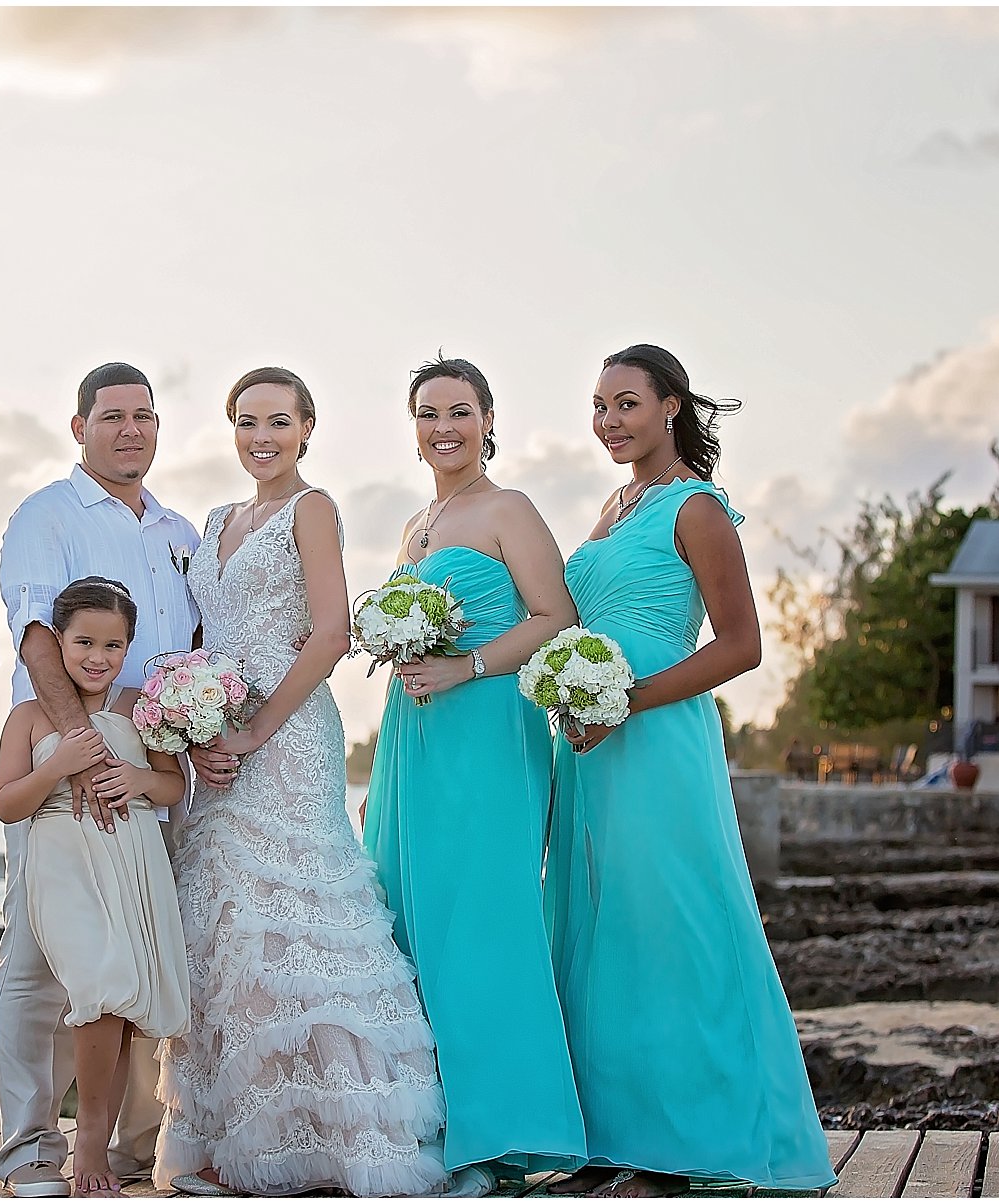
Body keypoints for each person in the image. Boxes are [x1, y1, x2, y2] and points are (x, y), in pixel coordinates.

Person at [541, 345, 834, 1197]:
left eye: (626, 404)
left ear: (671, 407)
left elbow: (742, 646)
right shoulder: (613, 505)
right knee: (599, 925)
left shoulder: (697, 509)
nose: (609, 421)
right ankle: (617, 1137)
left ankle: (705, 1136)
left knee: (675, 919)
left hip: (656, 738)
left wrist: (628, 701)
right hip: (587, 739)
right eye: (598, 406)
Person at [157, 367, 448, 1198]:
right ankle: (243, 1140)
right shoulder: (215, 520)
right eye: (247, 422)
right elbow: (208, 639)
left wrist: (254, 728)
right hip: (220, 743)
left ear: (307, 428)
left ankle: (340, 1138)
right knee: (227, 934)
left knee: (296, 921)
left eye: (279, 422)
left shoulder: (311, 510)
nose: (262, 438)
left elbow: (327, 635)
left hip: (286, 738)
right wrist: (197, 731)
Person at [360, 355, 588, 1197]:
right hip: (414, 742)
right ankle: (443, 1129)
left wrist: (471, 668)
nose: (443, 427)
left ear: (489, 419)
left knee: (485, 921)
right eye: (427, 412)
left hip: (490, 730)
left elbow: (556, 616)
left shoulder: (509, 508)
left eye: (459, 410)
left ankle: (511, 1135)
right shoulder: (417, 521)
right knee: (414, 919)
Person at [0, 363, 201, 1198]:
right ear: (79, 426)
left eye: (145, 416)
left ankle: (121, 1149)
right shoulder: (46, 514)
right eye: (112, 416)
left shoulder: (180, 530)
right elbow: (36, 633)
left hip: (146, 773)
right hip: (67, 775)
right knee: (40, 967)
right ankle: (28, 1148)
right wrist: (77, 748)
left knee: (139, 966)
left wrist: (187, 751)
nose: (131, 430)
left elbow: (188, 653)